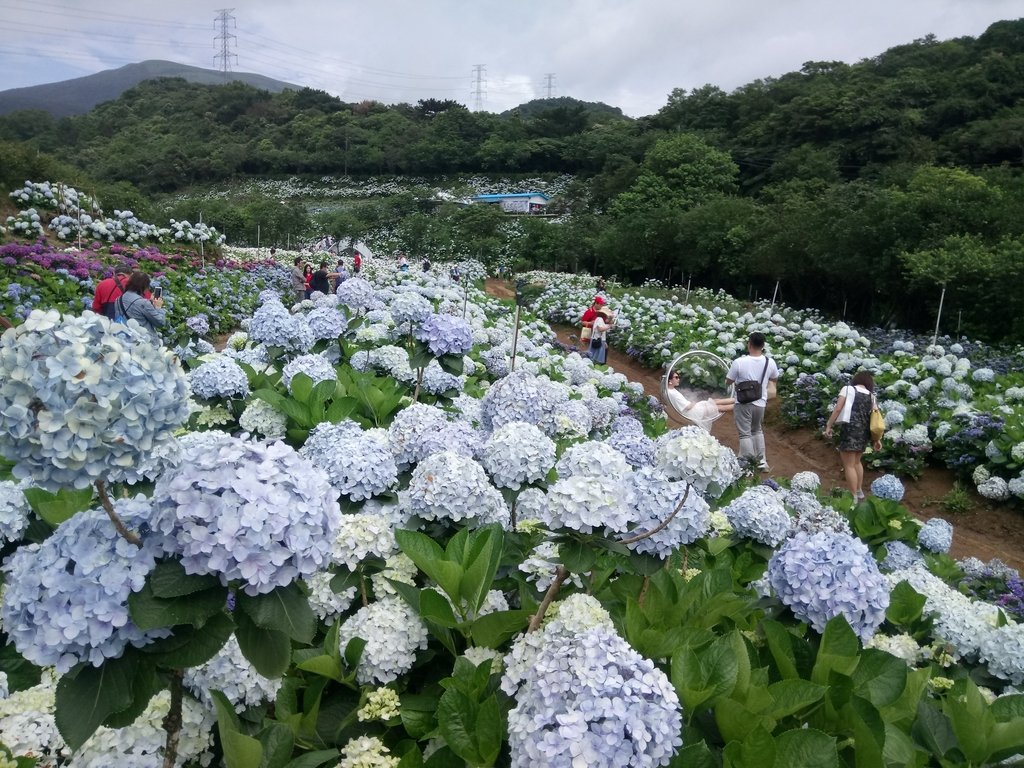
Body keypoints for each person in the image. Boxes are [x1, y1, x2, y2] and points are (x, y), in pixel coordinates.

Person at [823, 371, 882, 500]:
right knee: (856, 462)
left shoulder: (848, 389)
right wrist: (877, 439)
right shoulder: (872, 396)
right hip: (864, 432)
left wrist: (829, 425)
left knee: (848, 465)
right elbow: (876, 416)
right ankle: (859, 491)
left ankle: (853, 496)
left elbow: (838, 408)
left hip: (849, 430)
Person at [726, 332, 780, 471]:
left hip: (743, 402)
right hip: (760, 403)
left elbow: (729, 381)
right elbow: (774, 379)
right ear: (762, 346)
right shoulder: (770, 362)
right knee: (757, 430)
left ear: (749, 344)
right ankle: (762, 462)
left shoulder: (739, 362)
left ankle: (749, 464)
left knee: (745, 433)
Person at [664, 370, 735, 432]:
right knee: (718, 407)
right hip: (693, 412)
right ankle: (740, 404)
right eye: (676, 377)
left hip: (693, 410)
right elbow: (688, 407)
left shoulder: (670, 390)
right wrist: (693, 402)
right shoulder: (672, 393)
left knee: (714, 401)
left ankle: (738, 400)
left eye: (678, 377)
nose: (678, 379)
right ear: (669, 380)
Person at [115, 271, 165, 335]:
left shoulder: (118, 299)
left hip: (125, 336)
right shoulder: (143, 303)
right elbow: (160, 323)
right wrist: (158, 307)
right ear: (144, 286)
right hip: (142, 339)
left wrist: (150, 302)